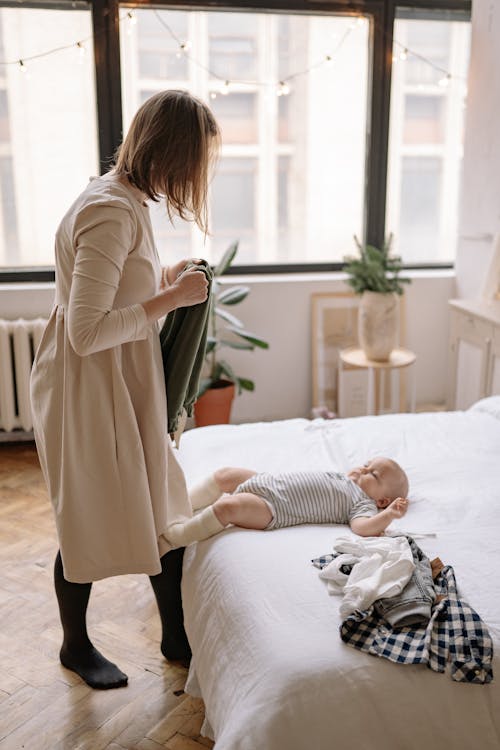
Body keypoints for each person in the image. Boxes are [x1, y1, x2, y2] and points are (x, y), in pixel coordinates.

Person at [30, 90, 220, 690]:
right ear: (171, 154)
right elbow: (86, 331)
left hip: (119, 380)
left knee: (158, 501)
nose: (196, 178)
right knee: (87, 516)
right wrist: (170, 299)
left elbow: (116, 290)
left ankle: (174, 634)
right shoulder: (110, 211)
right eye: (195, 162)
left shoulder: (126, 201)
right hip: (90, 387)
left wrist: (166, 277)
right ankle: (75, 646)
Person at [166, 457, 409, 546]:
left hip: (275, 509)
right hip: (268, 481)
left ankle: (179, 536)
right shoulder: (343, 478)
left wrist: (388, 516)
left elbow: (362, 528)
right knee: (224, 475)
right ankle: (179, 504)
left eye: (373, 474)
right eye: (367, 464)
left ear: (382, 500)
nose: (363, 469)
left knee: (227, 507)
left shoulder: (362, 503)